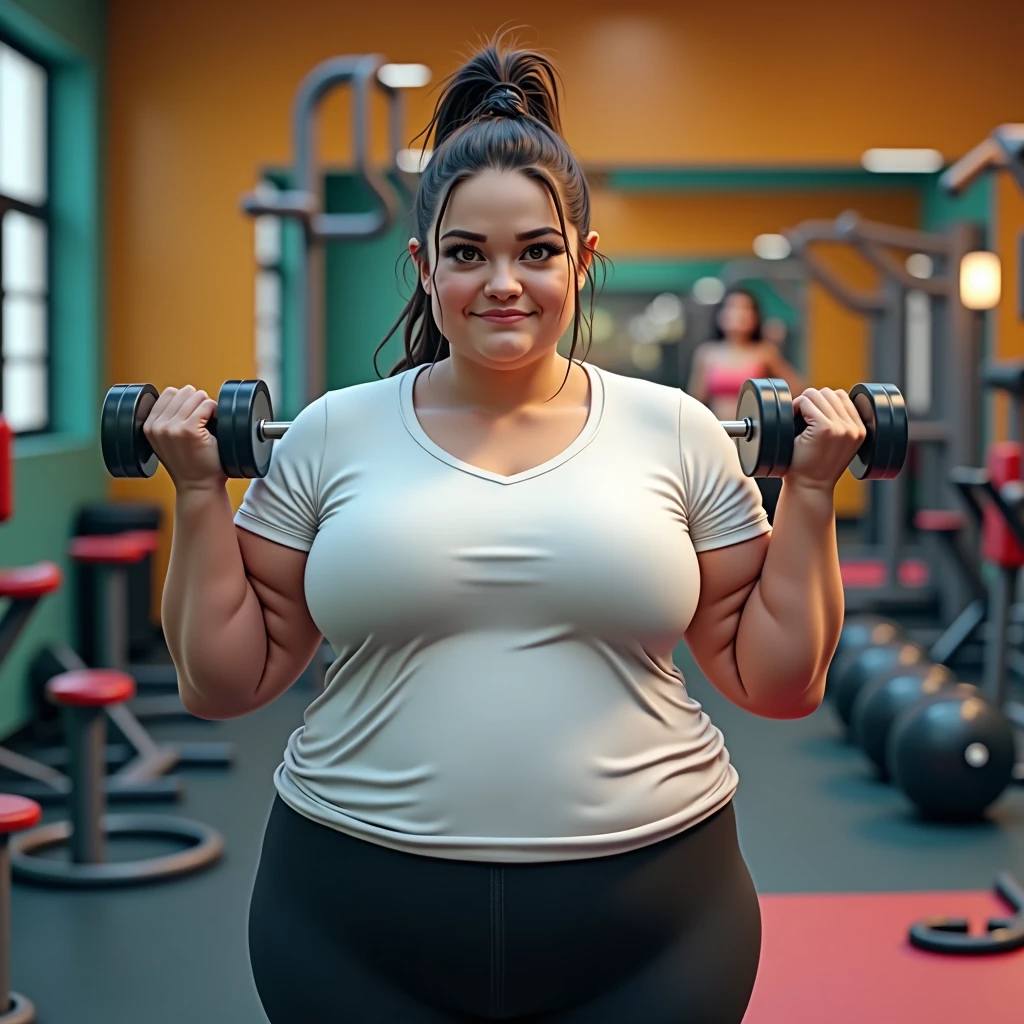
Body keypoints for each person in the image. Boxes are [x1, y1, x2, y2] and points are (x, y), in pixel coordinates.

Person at [149, 37, 865, 1024]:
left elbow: (779, 683)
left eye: (536, 251)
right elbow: (223, 681)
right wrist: (196, 491)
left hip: (655, 916)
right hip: (352, 913)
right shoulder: (329, 432)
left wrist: (813, 495)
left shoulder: (678, 430)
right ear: (423, 263)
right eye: (466, 254)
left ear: (582, 258)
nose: (503, 284)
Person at [688, 288, 806, 524]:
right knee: (721, 511)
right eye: (732, 308)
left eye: (745, 309)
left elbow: (797, 389)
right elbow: (695, 400)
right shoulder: (708, 354)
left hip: (757, 443)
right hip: (720, 441)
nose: (738, 314)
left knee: (760, 507)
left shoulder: (765, 352)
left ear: (755, 317)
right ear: (721, 315)